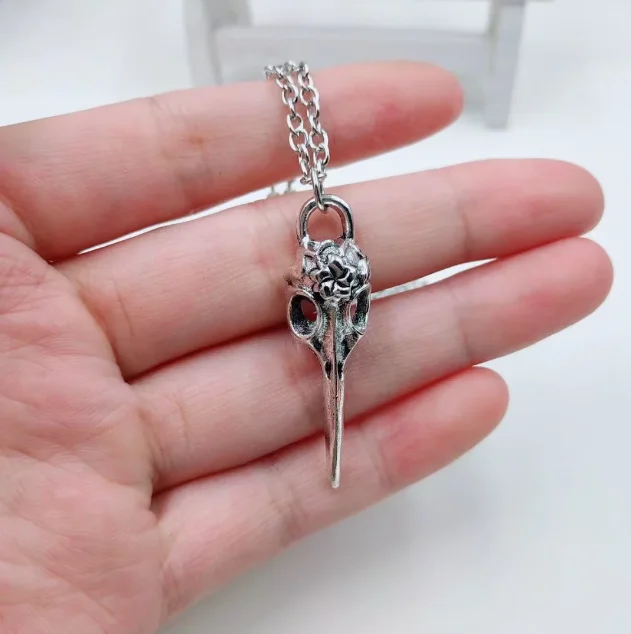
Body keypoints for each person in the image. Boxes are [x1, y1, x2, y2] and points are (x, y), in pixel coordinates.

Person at [0, 62, 612, 633]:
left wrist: (331, 301)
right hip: (324, 316)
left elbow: (350, 295)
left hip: (336, 318)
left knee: (337, 362)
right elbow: (314, 297)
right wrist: (314, 296)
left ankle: (334, 454)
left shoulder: (344, 270)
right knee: (330, 362)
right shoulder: (320, 272)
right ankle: (334, 454)